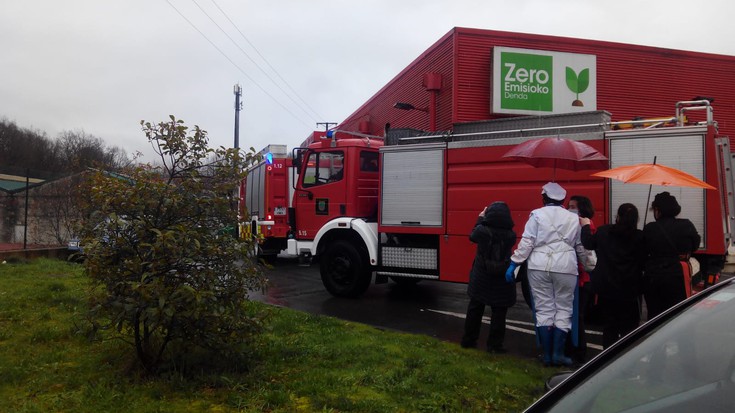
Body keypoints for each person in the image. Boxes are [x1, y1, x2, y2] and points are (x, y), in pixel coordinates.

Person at [505, 182, 587, 366]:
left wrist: (514, 263)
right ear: (563, 200)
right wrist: (589, 264)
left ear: (544, 198)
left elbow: (527, 243)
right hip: (566, 267)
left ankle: (547, 356)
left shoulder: (536, 215)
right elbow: (580, 247)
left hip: (538, 266)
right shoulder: (574, 218)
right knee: (564, 309)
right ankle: (558, 354)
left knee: (544, 308)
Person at [580, 203, 645, 348]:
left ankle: (608, 359)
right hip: (630, 290)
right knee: (630, 328)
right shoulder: (639, 237)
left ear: (618, 217)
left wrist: (585, 226)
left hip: (607, 288)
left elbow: (588, 243)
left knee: (610, 327)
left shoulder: (604, 232)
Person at [461, 201, 517, 353]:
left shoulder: (482, 231)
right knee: (499, 312)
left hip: (482, 275)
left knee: (475, 308)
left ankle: (469, 340)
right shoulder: (511, 235)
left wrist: (480, 218)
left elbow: (472, 236)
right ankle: (494, 346)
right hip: (501, 278)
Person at [642, 192, 701, 319]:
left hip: (653, 276)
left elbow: (643, 250)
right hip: (678, 274)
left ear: (658, 210)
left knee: (655, 316)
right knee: (679, 313)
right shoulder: (686, 225)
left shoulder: (650, 228)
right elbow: (695, 245)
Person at [566, 195, 595, 363]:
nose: (570, 209)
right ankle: (573, 348)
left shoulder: (584, 225)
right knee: (572, 314)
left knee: (577, 315)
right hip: (577, 275)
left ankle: (578, 351)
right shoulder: (578, 223)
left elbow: (586, 253)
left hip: (582, 277)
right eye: (569, 206)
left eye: (573, 206)